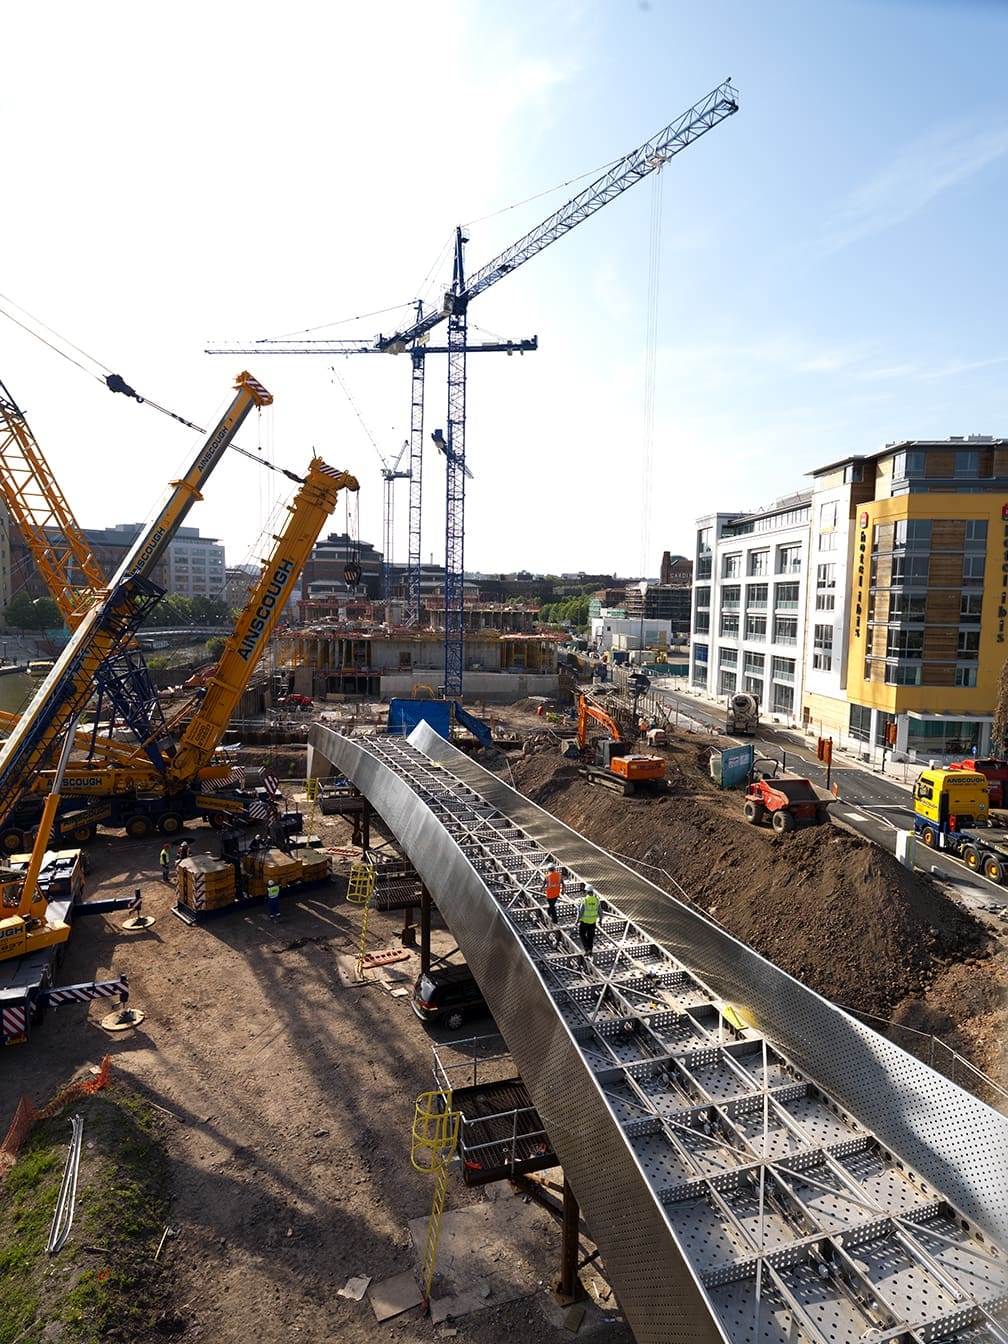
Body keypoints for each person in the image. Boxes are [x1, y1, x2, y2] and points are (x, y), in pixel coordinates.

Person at [577, 884, 600, 956]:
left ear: (586, 892)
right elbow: (600, 911)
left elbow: (581, 912)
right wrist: (601, 920)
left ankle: (587, 949)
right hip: (593, 922)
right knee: (590, 936)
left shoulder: (584, 900)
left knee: (582, 934)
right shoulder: (596, 900)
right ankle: (590, 950)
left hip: (584, 922)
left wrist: (577, 920)